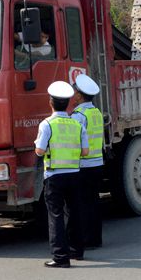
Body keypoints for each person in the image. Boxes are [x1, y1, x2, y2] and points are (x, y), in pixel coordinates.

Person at [34, 81, 89, 268]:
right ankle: (78, 251)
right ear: (67, 104)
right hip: (75, 174)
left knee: (56, 215)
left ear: (50, 103)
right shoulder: (77, 124)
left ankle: (60, 257)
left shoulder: (47, 124)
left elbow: (40, 151)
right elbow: (85, 152)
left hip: (54, 175)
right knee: (75, 211)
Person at [71, 74, 104, 249]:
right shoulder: (95, 112)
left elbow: (74, 141)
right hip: (97, 163)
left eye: (75, 91)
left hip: (83, 165)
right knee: (94, 202)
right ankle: (96, 239)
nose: (73, 94)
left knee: (82, 204)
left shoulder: (78, 116)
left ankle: (86, 239)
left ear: (80, 95)